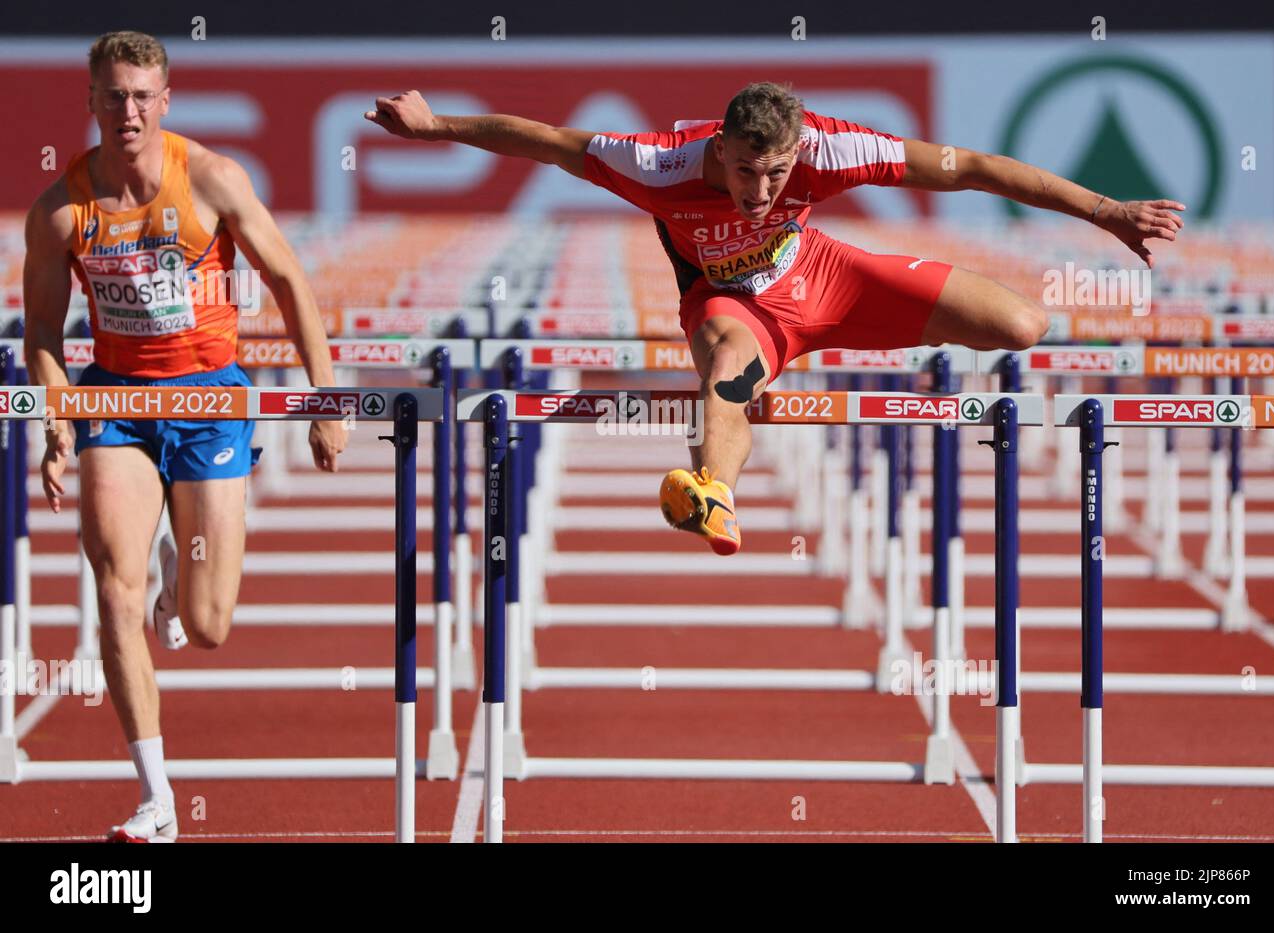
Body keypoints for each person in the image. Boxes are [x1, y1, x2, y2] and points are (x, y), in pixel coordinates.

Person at [365, 81, 1183, 555]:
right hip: (735, 306)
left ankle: (875, 343)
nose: (760, 191)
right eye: (749, 171)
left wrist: (1105, 209)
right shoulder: (657, 163)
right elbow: (543, 140)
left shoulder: (832, 149)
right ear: (719, 147)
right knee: (724, 360)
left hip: (823, 274)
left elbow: (970, 168)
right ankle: (712, 492)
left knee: (1021, 326)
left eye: (777, 173)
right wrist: (435, 126)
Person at [23, 31, 347, 841]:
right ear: (91, 101)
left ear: (165, 101)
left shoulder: (210, 178)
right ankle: (156, 795)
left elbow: (289, 279)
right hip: (117, 405)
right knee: (113, 589)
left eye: (142, 96)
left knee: (206, 626)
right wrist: (56, 427)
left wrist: (325, 396)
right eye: (112, 95)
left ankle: (180, 569)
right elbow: (42, 338)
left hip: (208, 401)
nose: (127, 110)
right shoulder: (61, 208)